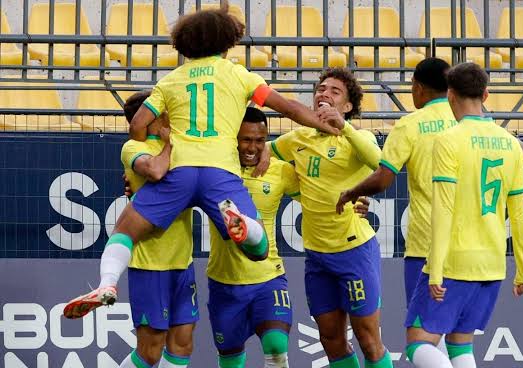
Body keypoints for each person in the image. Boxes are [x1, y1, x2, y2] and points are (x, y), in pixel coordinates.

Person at [63, 5, 339, 320]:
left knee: (124, 230)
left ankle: (107, 285)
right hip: (219, 172)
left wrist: (158, 143)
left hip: (178, 171)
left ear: (186, 42)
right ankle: (242, 224)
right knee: (258, 248)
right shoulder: (237, 74)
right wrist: (323, 124)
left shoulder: (170, 81)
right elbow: (287, 107)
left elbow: (137, 124)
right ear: (226, 40)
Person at [211, 108, 371, 368]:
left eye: (258, 140)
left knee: (277, 349)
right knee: (230, 367)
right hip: (225, 281)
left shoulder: (282, 171)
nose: (252, 147)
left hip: (269, 277)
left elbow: (319, 198)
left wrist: (357, 200)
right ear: (233, 141)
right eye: (245, 140)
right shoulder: (214, 173)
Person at [404, 62, 523, 368]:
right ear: (487, 96)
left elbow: (442, 210)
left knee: (417, 343)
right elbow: (519, 214)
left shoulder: (448, 140)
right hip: (492, 263)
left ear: (450, 96)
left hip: (456, 259)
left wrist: (437, 268)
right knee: (461, 342)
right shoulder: (511, 144)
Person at [268, 68, 399, 368]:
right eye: (320, 89)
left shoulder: (357, 138)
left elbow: (380, 162)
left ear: (349, 104)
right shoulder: (297, 139)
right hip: (317, 258)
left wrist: (344, 127)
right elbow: (263, 156)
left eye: (335, 91)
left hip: (355, 251)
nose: (324, 94)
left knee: (368, 338)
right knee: (330, 339)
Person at [336, 58, 457, 368]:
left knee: (424, 337)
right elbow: (519, 154)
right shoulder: (468, 121)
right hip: (469, 243)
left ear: (419, 89)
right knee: (453, 339)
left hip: (425, 243)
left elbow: (384, 177)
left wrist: (355, 190)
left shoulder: (411, 124)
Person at [94, 91, 196, 368]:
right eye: (159, 111)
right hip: (149, 263)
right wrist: (170, 146)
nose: (167, 115)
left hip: (182, 262)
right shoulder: (132, 149)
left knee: (182, 344)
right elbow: (155, 171)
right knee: (149, 351)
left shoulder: (178, 144)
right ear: (144, 119)